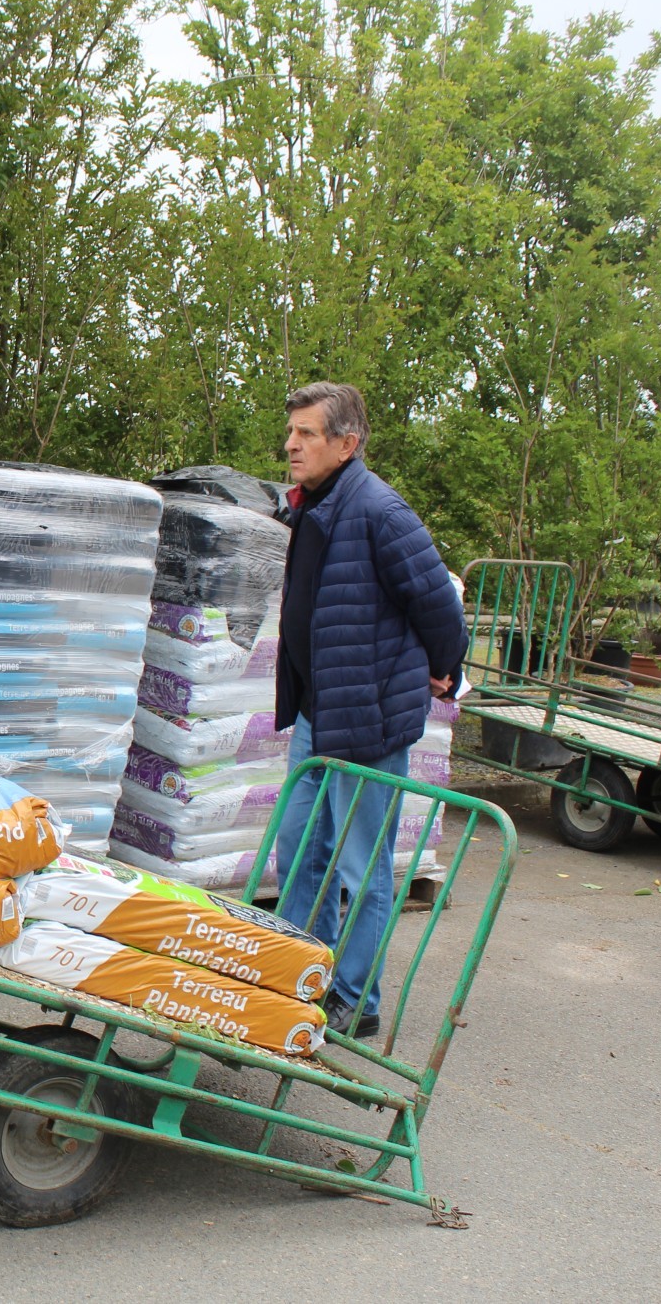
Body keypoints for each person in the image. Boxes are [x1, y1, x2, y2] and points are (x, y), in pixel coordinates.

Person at [270, 381, 465, 1039]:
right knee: (300, 849)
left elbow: (439, 602)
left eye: (306, 434)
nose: (291, 444)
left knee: (359, 863)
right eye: (291, 431)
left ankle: (356, 998)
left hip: (368, 720)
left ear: (346, 444)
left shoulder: (380, 510)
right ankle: (301, 977)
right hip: (319, 715)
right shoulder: (314, 504)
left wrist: (445, 668)